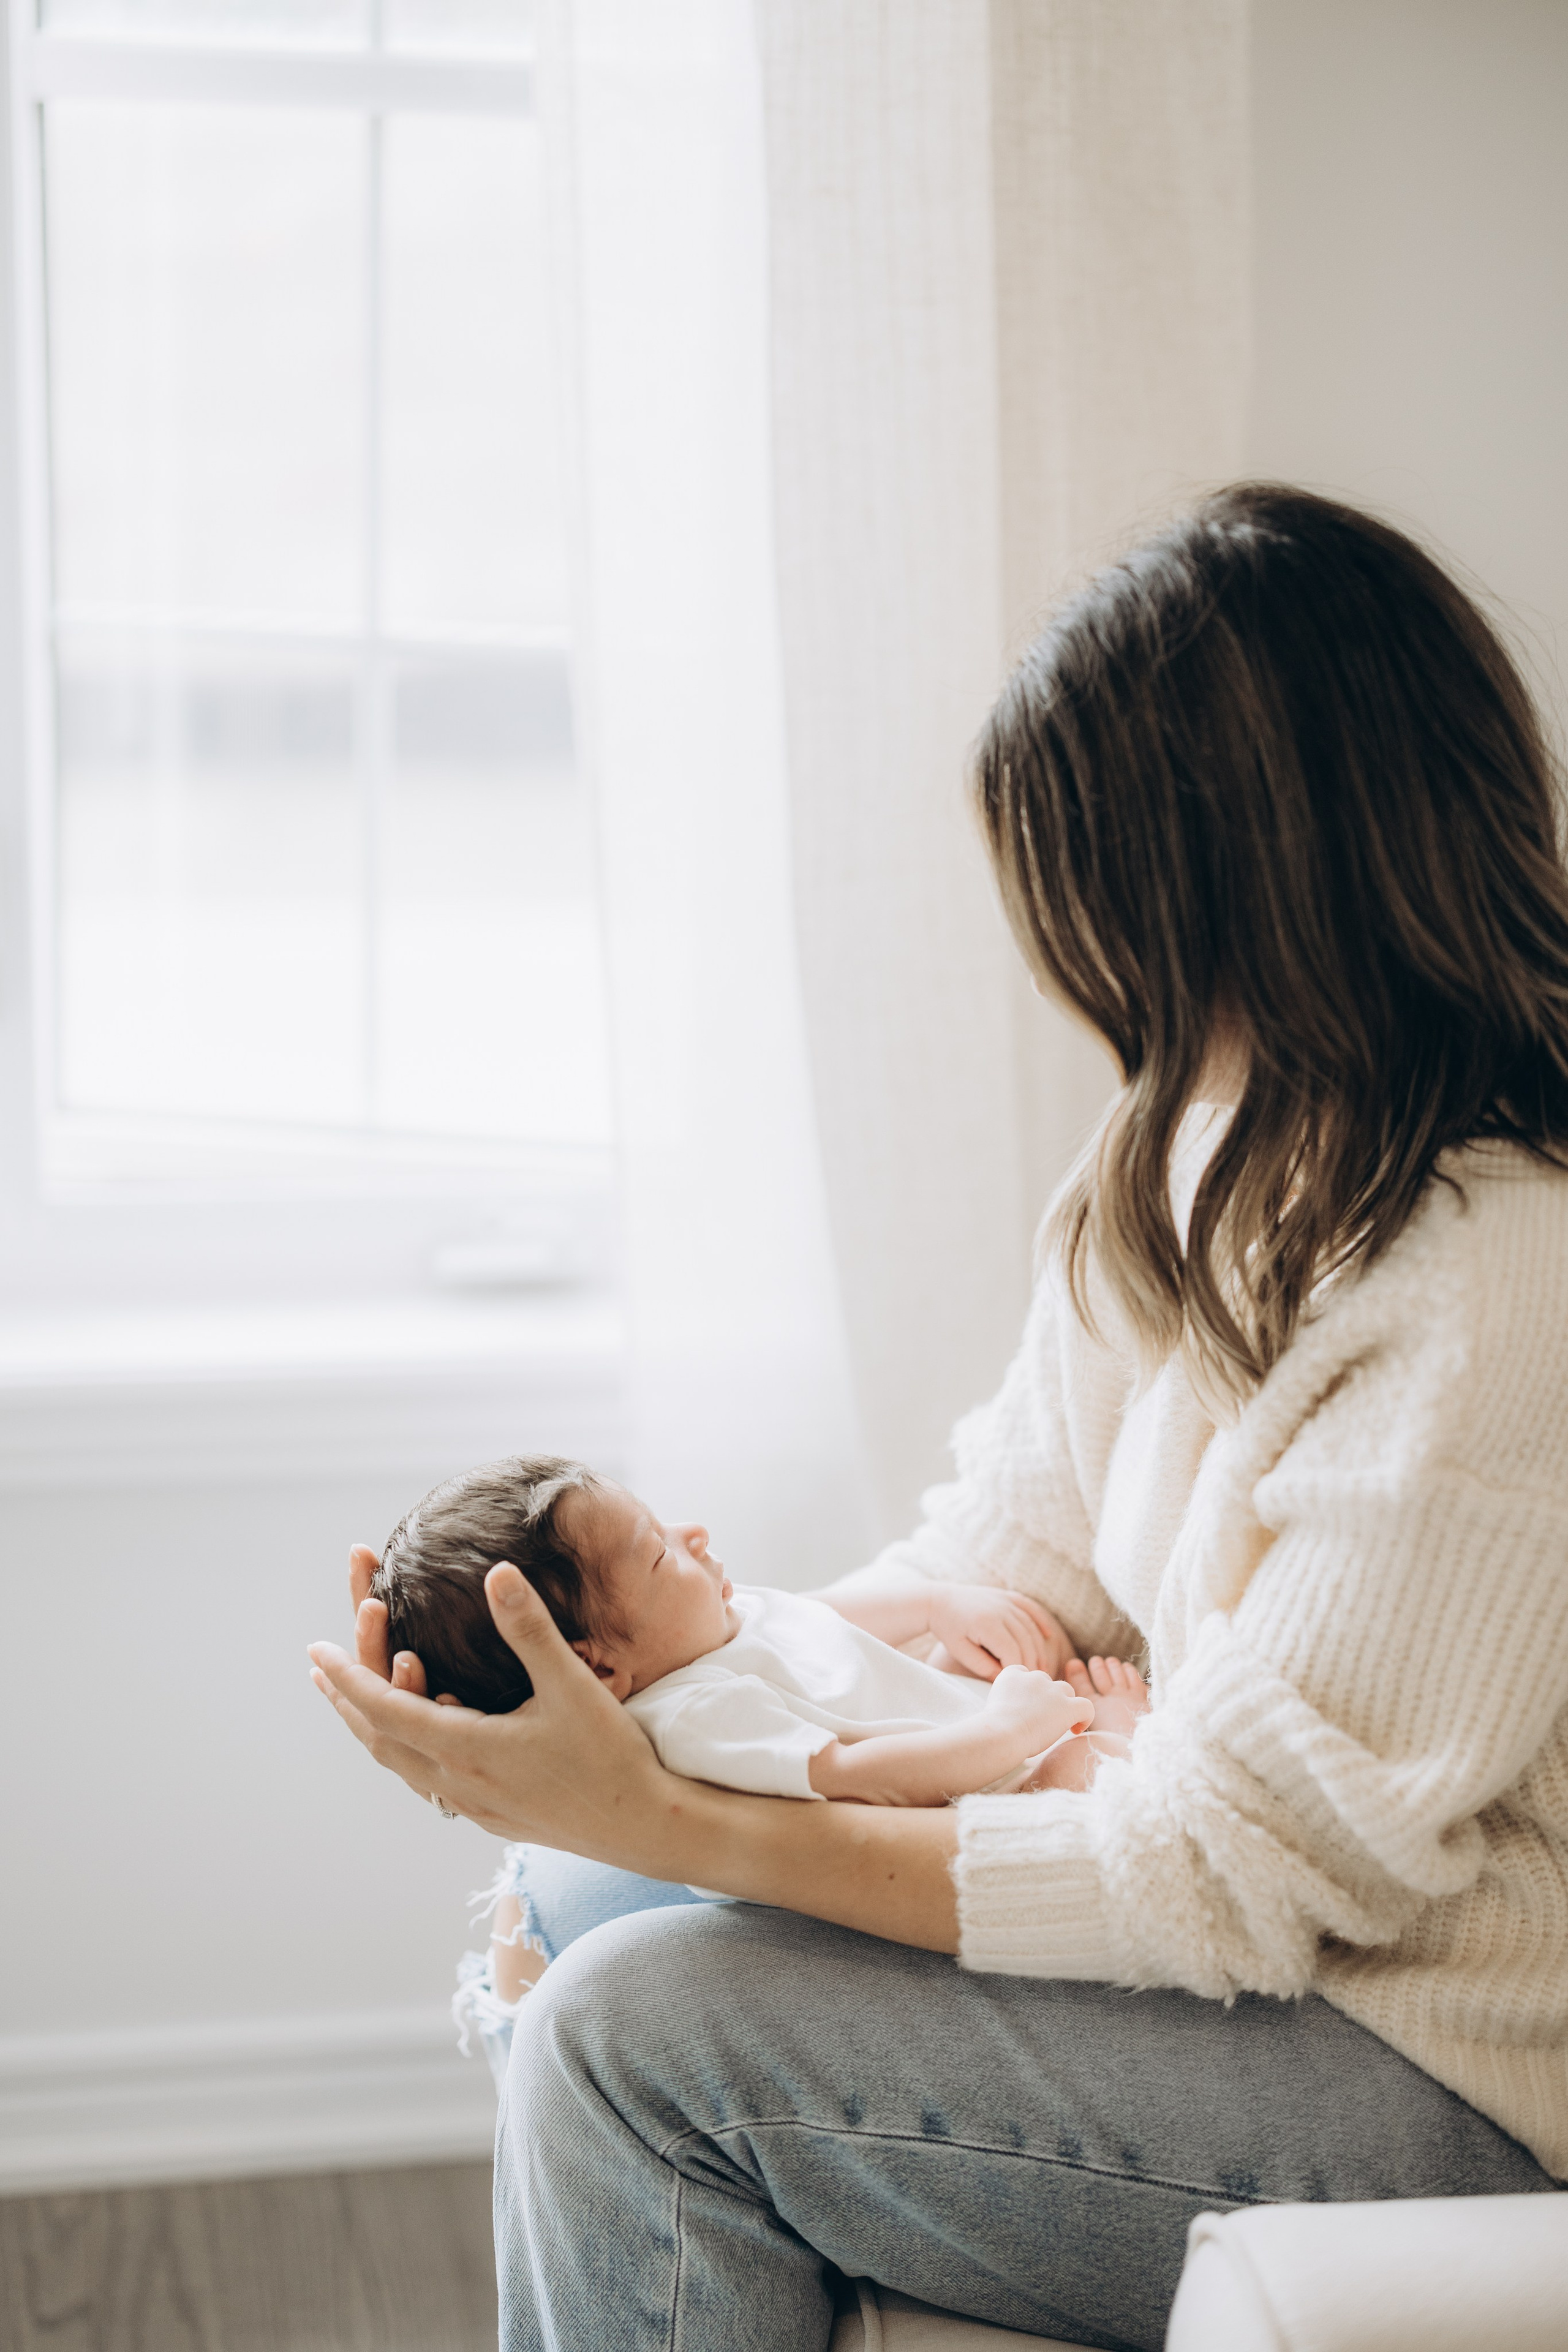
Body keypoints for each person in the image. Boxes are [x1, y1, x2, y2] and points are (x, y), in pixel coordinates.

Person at [311, 486, 1568, 2352]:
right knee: (568, 1890)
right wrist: (646, 1716)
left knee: (626, 2046)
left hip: (1430, 2053)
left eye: (1104, 904)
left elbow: (1227, 1886)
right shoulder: (1188, 1155)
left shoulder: (1491, 1292)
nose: (1092, 972)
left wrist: (686, 1815)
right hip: (1253, 1943)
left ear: (1237, 880)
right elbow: (999, 1554)